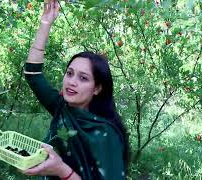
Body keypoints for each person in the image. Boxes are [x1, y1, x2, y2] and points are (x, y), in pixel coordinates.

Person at [23, 0, 129, 179]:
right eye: (70, 73)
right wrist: (45, 24)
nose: (72, 82)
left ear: (97, 89)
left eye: (83, 78)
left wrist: (62, 170)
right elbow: (33, 74)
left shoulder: (105, 135)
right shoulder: (62, 108)